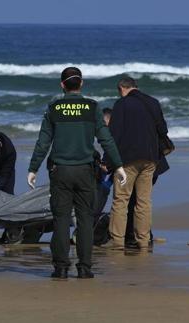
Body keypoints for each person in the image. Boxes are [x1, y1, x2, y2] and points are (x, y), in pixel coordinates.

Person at [27, 67, 127, 279]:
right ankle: (84, 268)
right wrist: (118, 165)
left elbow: (43, 141)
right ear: (81, 84)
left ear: (62, 85)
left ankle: (61, 268)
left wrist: (33, 168)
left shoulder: (53, 107)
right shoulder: (92, 107)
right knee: (85, 219)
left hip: (60, 171)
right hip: (85, 171)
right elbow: (105, 139)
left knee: (61, 219)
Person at [106, 76, 169, 250]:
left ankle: (117, 241)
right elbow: (163, 130)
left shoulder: (122, 104)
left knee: (121, 200)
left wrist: (107, 160)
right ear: (136, 87)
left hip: (127, 161)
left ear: (121, 88)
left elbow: (114, 134)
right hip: (150, 159)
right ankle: (143, 240)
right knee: (144, 201)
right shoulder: (153, 102)